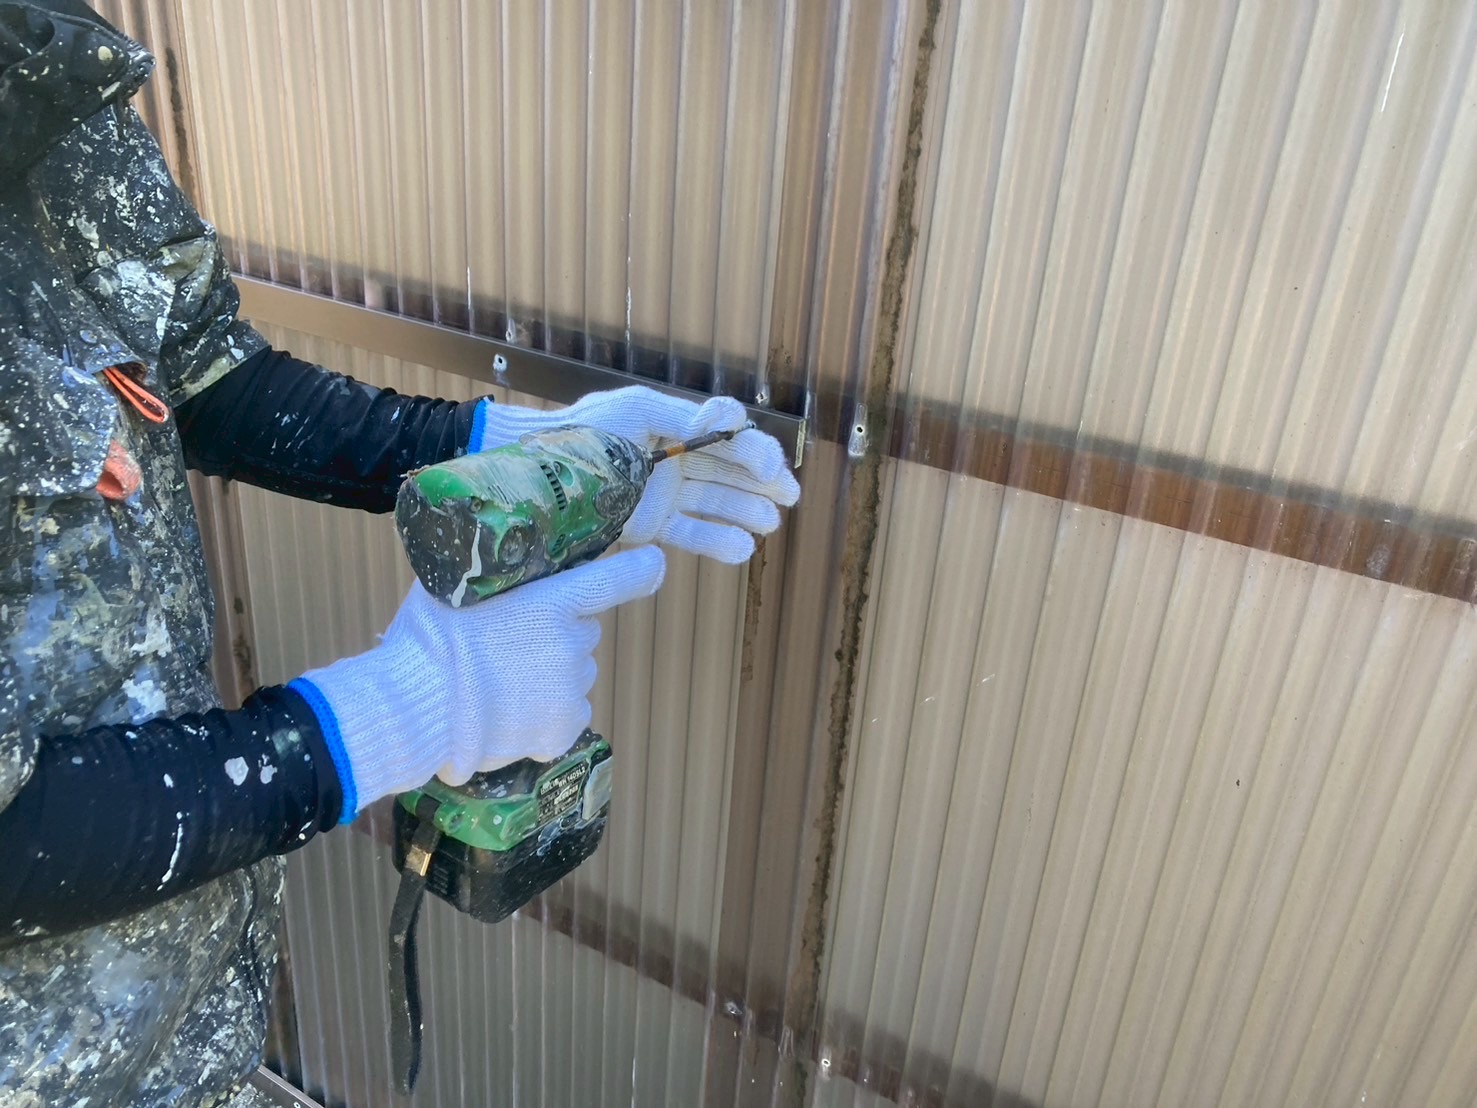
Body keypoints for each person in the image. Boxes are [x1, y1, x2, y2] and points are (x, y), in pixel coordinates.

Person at [0, 3, 801, 1105]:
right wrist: (410, 710)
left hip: (181, 1028)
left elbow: (204, 378)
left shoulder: (42, 57)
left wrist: (503, 452)